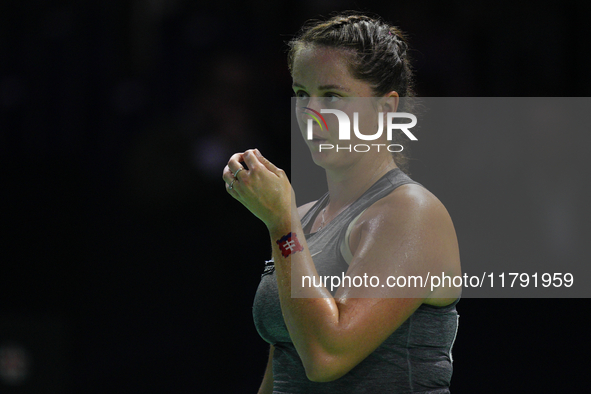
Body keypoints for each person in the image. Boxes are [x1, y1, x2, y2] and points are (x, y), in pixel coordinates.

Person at [222, 13, 462, 394]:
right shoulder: (301, 218)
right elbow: (285, 367)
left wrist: (281, 223)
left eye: (332, 95)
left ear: (386, 109)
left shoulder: (414, 213)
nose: (310, 115)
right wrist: (286, 221)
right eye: (302, 95)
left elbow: (325, 356)